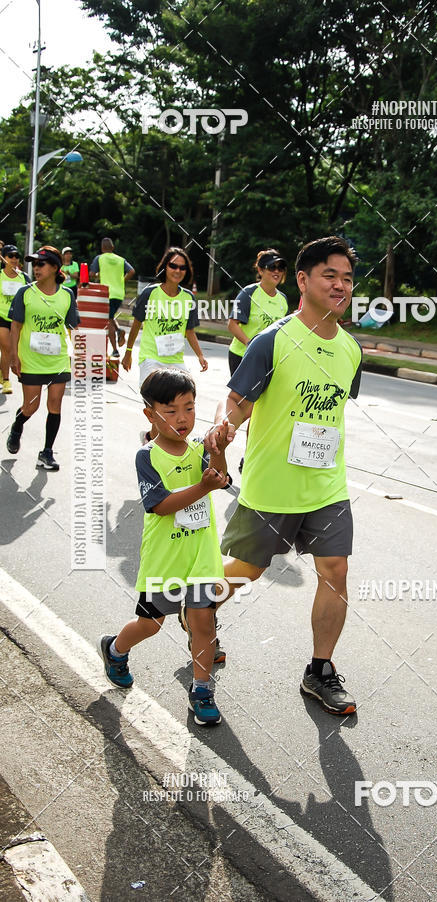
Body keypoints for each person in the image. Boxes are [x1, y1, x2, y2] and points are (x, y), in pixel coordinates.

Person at [200, 236, 363, 716]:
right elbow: (237, 402)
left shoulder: (351, 350)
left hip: (327, 485)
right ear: (303, 280)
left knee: (336, 572)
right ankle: (197, 608)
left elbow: (331, 412)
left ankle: (320, 671)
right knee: (248, 571)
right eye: (330, 275)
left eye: (348, 278)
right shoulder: (274, 340)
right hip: (271, 484)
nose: (340, 285)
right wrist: (224, 427)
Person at [98, 369, 231, 726]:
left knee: (204, 621)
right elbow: (159, 504)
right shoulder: (148, 456)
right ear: (150, 414)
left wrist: (219, 448)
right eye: (170, 411)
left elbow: (222, 478)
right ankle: (115, 649)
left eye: (188, 408)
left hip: (200, 555)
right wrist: (203, 487)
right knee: (150, 624)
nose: (182, 418)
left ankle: (202, 689)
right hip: (164, 558)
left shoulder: (200, 446)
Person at [122, 246, 208, 442]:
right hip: (151, 358)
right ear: (165, 267)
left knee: (184, 399)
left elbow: (189, 331)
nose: (177, 271)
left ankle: (162, 440)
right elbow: (136, 324)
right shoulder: (150, 294)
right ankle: (154, 441)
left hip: (175, 360)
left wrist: (200, 355)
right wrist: (128, 352)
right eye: (173, 266)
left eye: (182, 268)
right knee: (157, 405)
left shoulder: (188, 298)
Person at [6, 246, 79, 470]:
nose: (36, 268)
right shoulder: (25, 293)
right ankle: (18, 425)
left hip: (57, 359)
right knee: (31, 406)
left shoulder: (67, 295)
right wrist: (13, 356)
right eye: (34, 264)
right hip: (31, 359)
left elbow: (72, 327)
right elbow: (16, 326)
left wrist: (78, 354)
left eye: (41, 264)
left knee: (55, 404)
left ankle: (46, 452)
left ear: (55, 268)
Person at [227, 249, 288, 377]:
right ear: (261, 270)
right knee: (242, 397)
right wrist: (249, 344)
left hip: (267, 359)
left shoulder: (283, 299)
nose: (277, 271)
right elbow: (232, 325)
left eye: (280, 267)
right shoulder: (248, 293)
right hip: (242, 355)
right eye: (272, 267)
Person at [89, 237, 135, 358]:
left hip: (106, 293)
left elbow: (91, 274)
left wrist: (99, 275)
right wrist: (122, 281)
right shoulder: (121, 259)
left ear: (102, 248)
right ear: (113, 248)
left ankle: (115, 350)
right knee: (109, 317)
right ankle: (119, 330)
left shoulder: (99, 258)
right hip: (119, 293)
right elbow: (132, 271)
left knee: (107, 321)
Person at [0, 244, 30, 394]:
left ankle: (3, 370)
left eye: (16, 256)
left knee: (13, 349)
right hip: (2, 317)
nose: (14, 259)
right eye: (10, 256)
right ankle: (6, 380)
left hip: (18, 320)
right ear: (3, 258)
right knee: (6, 347)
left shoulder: (24, 277)